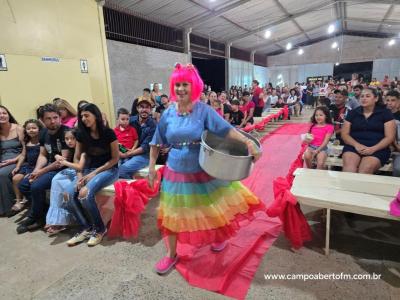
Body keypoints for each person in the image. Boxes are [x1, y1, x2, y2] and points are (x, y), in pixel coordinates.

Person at [148, 63, 262, 275]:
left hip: (202, 166)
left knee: (210, 206)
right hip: (175, 171)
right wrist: (152, 168)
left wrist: (248, 143)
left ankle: (218, 237)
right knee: (173, 213)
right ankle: (171, 255)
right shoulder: (167, 113)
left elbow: (226, 130)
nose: (181, 89)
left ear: (194, 87)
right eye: (178, 84)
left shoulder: (204, 110)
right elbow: (156, 141)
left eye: (186, 84)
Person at [66, 103, 119, 246]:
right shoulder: (82, 135)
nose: (83, 118)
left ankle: (100, 229)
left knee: (84, 193)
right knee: (67, 195)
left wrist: (94, 174)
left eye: (86, 115)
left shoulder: (108, 133)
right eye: (81, 116)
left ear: (95, 115)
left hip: (109, 170)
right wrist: (79, 177)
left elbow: (115, 159)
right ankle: (86, 228)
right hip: (88, 171)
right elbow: (77, 158)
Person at [17, 104, 70, 233]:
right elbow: (43, 154)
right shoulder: (43, 133)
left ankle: (35, 216)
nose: (53, 121)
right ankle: (42, 213)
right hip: (49, 166)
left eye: (55, 117)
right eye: (48, 118)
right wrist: (36, 170)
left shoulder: (66, 132)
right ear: (42, 120)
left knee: (36, 186)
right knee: (23, 184)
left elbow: (62, 161)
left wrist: (41, 172)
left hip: (63, 168)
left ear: (60, 117)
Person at [342, 88, 396, 174]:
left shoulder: (385, 113)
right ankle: (347, 187)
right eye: (362, 96)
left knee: (365, 168)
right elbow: (345, 134)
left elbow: (389, 137)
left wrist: (373, 149)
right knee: (349, 168)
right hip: (354, 146)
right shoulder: (353, 113)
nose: (364, 98)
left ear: (376, 98)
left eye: (367, 96)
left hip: (378, 148)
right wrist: (357, 145)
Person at [45, 128, 85, 235]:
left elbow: (80, 167)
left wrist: (64, 162)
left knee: (67, 189)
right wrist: (57, 157)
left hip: (84, 171)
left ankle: (63, 220)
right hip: (73, 170)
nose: (69, 141)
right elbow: (62, 157)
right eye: (67, 139)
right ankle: (56, 219)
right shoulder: (70, 148)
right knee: (56, 180)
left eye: (72, 138)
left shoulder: (83, 148)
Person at [9, 120, 42, 217]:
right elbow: (23, 155)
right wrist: (18, 166)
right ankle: (19, 201)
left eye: (34, 128)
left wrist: (35, 170)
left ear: (39, 129)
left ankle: (32, 202)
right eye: (28, 128)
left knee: (26, 181)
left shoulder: (42, 141)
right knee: (15, 178)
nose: (31, 130)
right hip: (28, 166)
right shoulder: (26, 141)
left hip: (38, 167)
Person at [119, 97, 156, 179]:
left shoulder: (153, 125)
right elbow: (120, 133)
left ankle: (131, 188)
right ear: (137, 108)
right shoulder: (130, 120)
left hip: (144, 155)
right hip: (127, 150)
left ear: (150, 109)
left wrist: (127, 154)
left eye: (147, 107)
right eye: (142, 107)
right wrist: (120, 150)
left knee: (121, 170)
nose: (144, 110)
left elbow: (145, 147)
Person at [0, 106, 24, 216]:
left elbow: (26, 149)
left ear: (8, 114)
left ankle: (9, 207)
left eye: (4, 113)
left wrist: (13, 160)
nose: (2, 115)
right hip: (3, 160)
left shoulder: (19, 128)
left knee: (2, 174)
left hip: (18, 159)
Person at [385, 90, 400, 176]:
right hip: (384, 147)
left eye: (393, 100)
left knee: (398, 168)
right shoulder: (380, 115)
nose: (390, 103)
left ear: (399, 101)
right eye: (387, 100)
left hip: (397, 149)